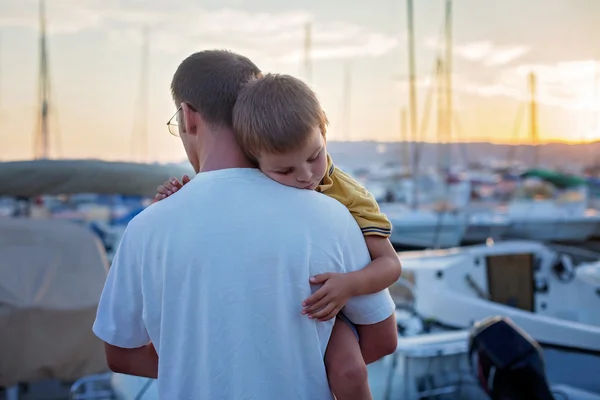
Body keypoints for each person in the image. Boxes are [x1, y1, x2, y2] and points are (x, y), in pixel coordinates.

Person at [92, 49, 398, 400]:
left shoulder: (147, 227)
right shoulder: (332, 215)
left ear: (188, 117)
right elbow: (382, 339)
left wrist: (212, 372)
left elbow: (121, 354)